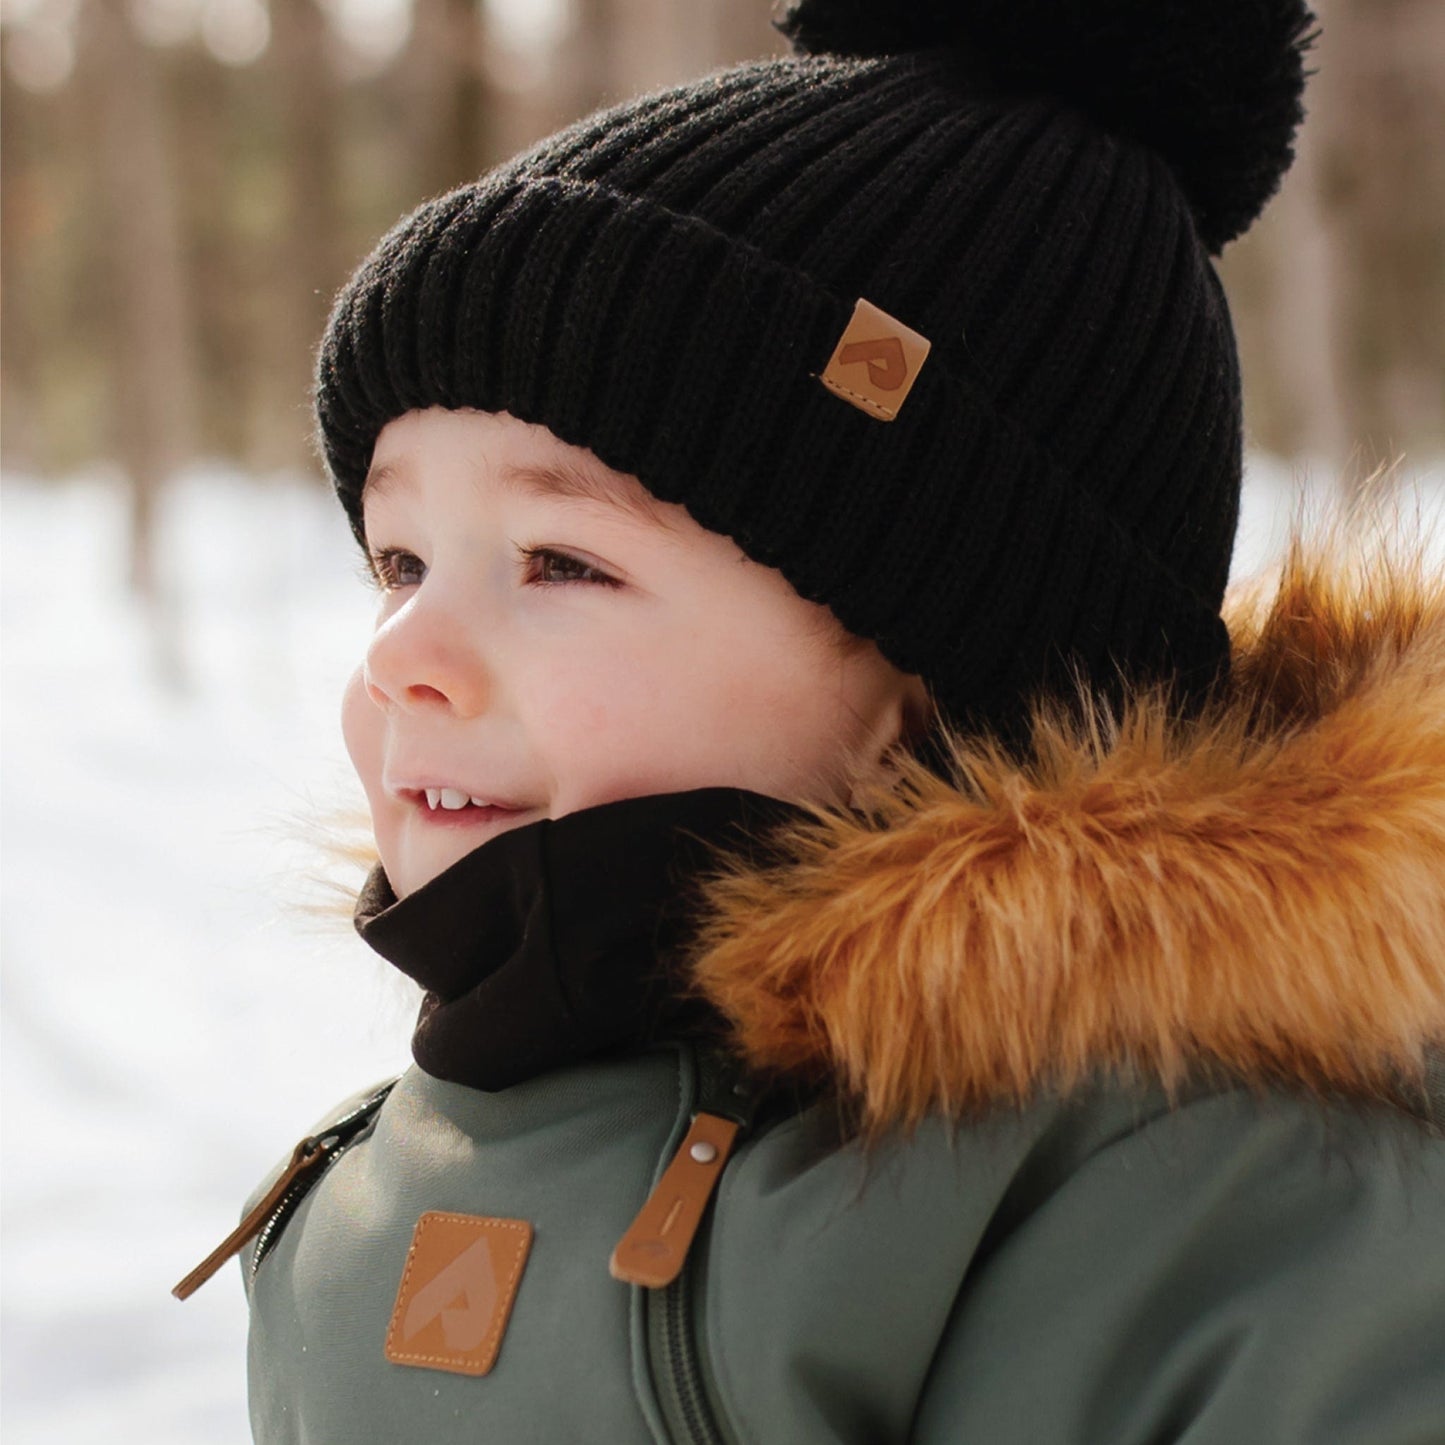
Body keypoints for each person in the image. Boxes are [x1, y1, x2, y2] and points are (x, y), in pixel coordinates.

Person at [177, 1, 1445, 1440]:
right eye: (400, 562)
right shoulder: (415, 1156)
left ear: (933, 691)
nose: (406, 652)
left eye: (561, 563)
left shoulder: (1213, 1199)